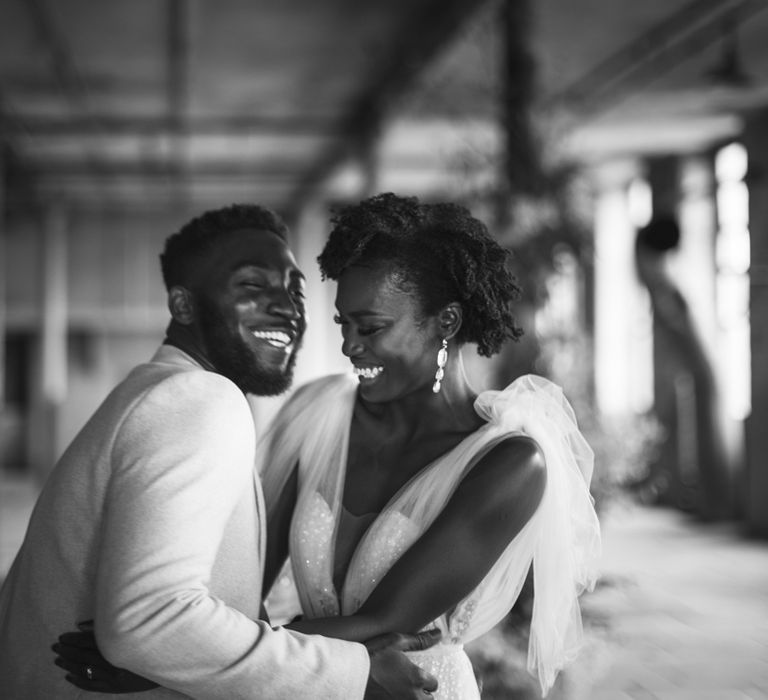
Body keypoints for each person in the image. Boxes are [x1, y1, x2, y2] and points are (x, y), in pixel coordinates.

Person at [56, 193, 601, 698]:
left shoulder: (509, 461)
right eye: (343, 324)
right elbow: (245, 577)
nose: (348, 346)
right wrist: (177, 643)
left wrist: (168, 651)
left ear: (447, 322)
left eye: (370, 327)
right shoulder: (319, 412)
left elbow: (386, 622)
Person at [0, 203, 439, 699]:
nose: (287, 308)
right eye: (253, 287)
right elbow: (151, 619)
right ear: (184, 306)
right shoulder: (201, 399)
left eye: (295, 290)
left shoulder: (153, 391)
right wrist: (354, 676)